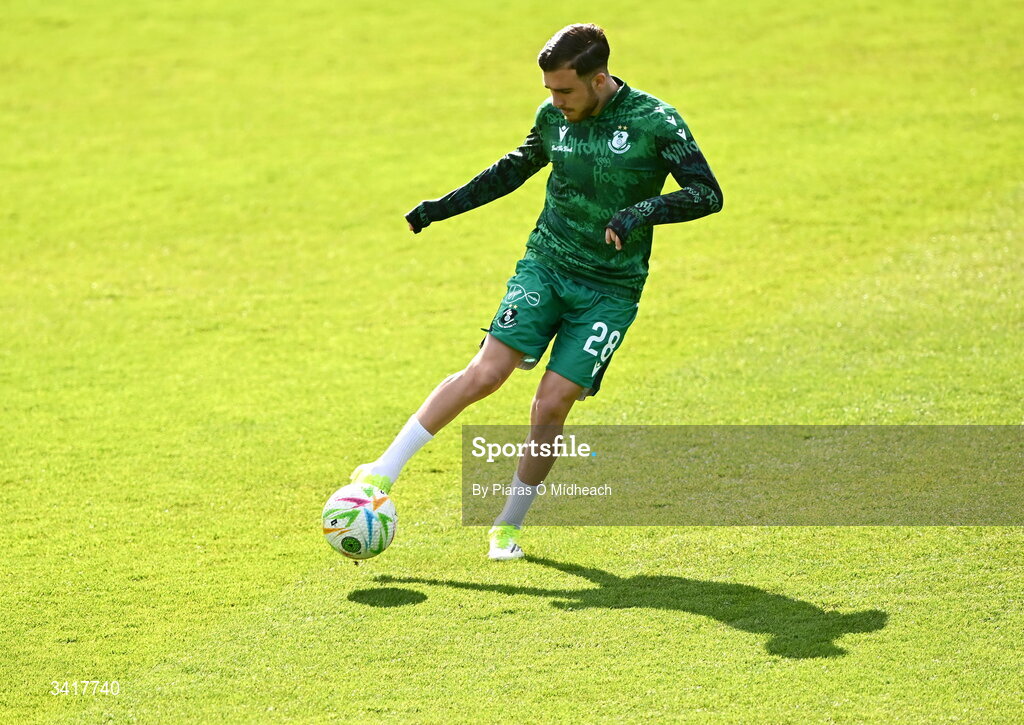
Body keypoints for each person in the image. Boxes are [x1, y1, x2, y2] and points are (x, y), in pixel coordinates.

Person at [351, 22, 723, 559]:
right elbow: (514, 169)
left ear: (599, 80)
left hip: (610, 289)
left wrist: (642, 211)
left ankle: (508, 524)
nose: (555, 101)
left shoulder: (655, 123)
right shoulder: (553, 118)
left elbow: (707, 194)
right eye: (549, 90)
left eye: (565, 90)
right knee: (485, 374)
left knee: (551, 405)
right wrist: (439, 209)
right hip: (546, 266)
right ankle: (381, 473)